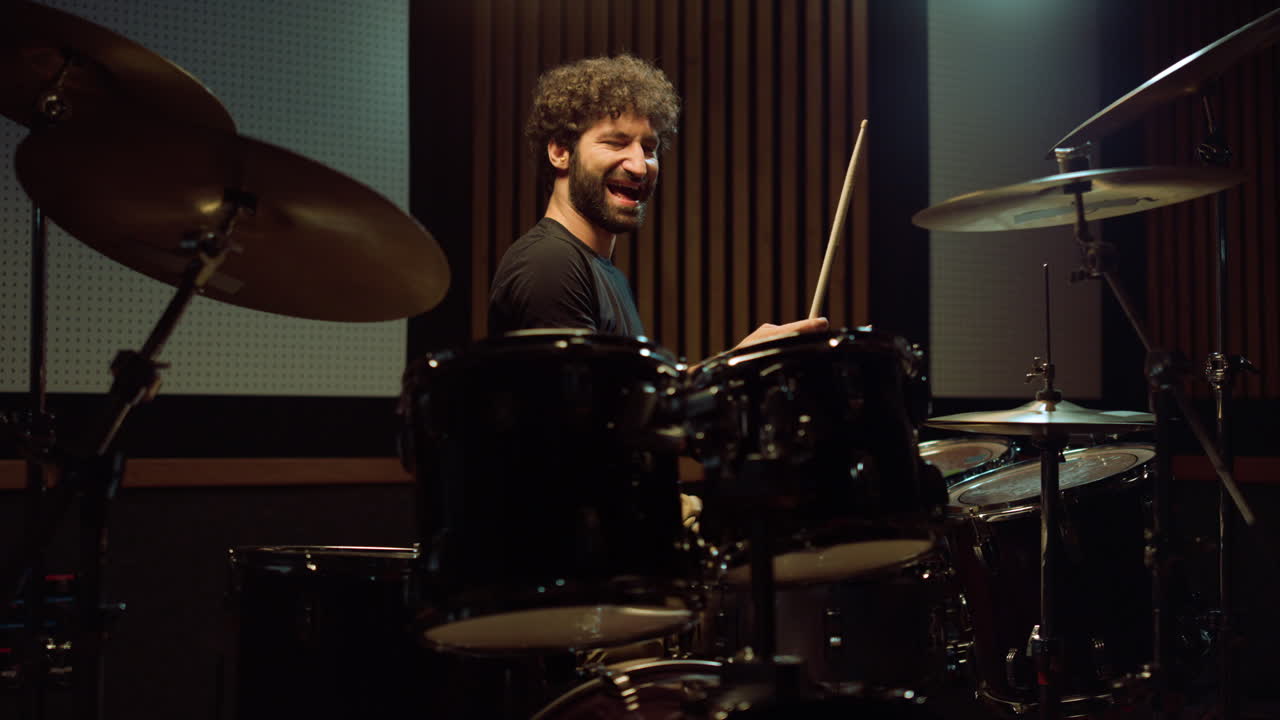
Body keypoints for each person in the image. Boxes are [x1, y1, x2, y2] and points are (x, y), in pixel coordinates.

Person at [489, 53, 827, 346]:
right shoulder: (551, 264)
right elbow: (593, 420)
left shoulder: (603, 273)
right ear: (561, 152)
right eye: (616, 143)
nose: (639, 166)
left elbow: (631, 408)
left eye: (649, 149)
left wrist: (739, 362)